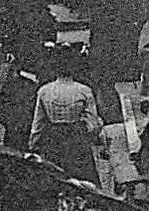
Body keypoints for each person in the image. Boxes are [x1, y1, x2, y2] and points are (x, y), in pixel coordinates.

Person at [28, 47, 101, 184]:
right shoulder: (84, 91)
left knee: (55, 178)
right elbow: (93, 124)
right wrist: (90, 139)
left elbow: (37, 124)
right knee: (84, 182)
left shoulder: (44, 91)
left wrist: (33, 144)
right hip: (76, 139)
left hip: (53, 139)